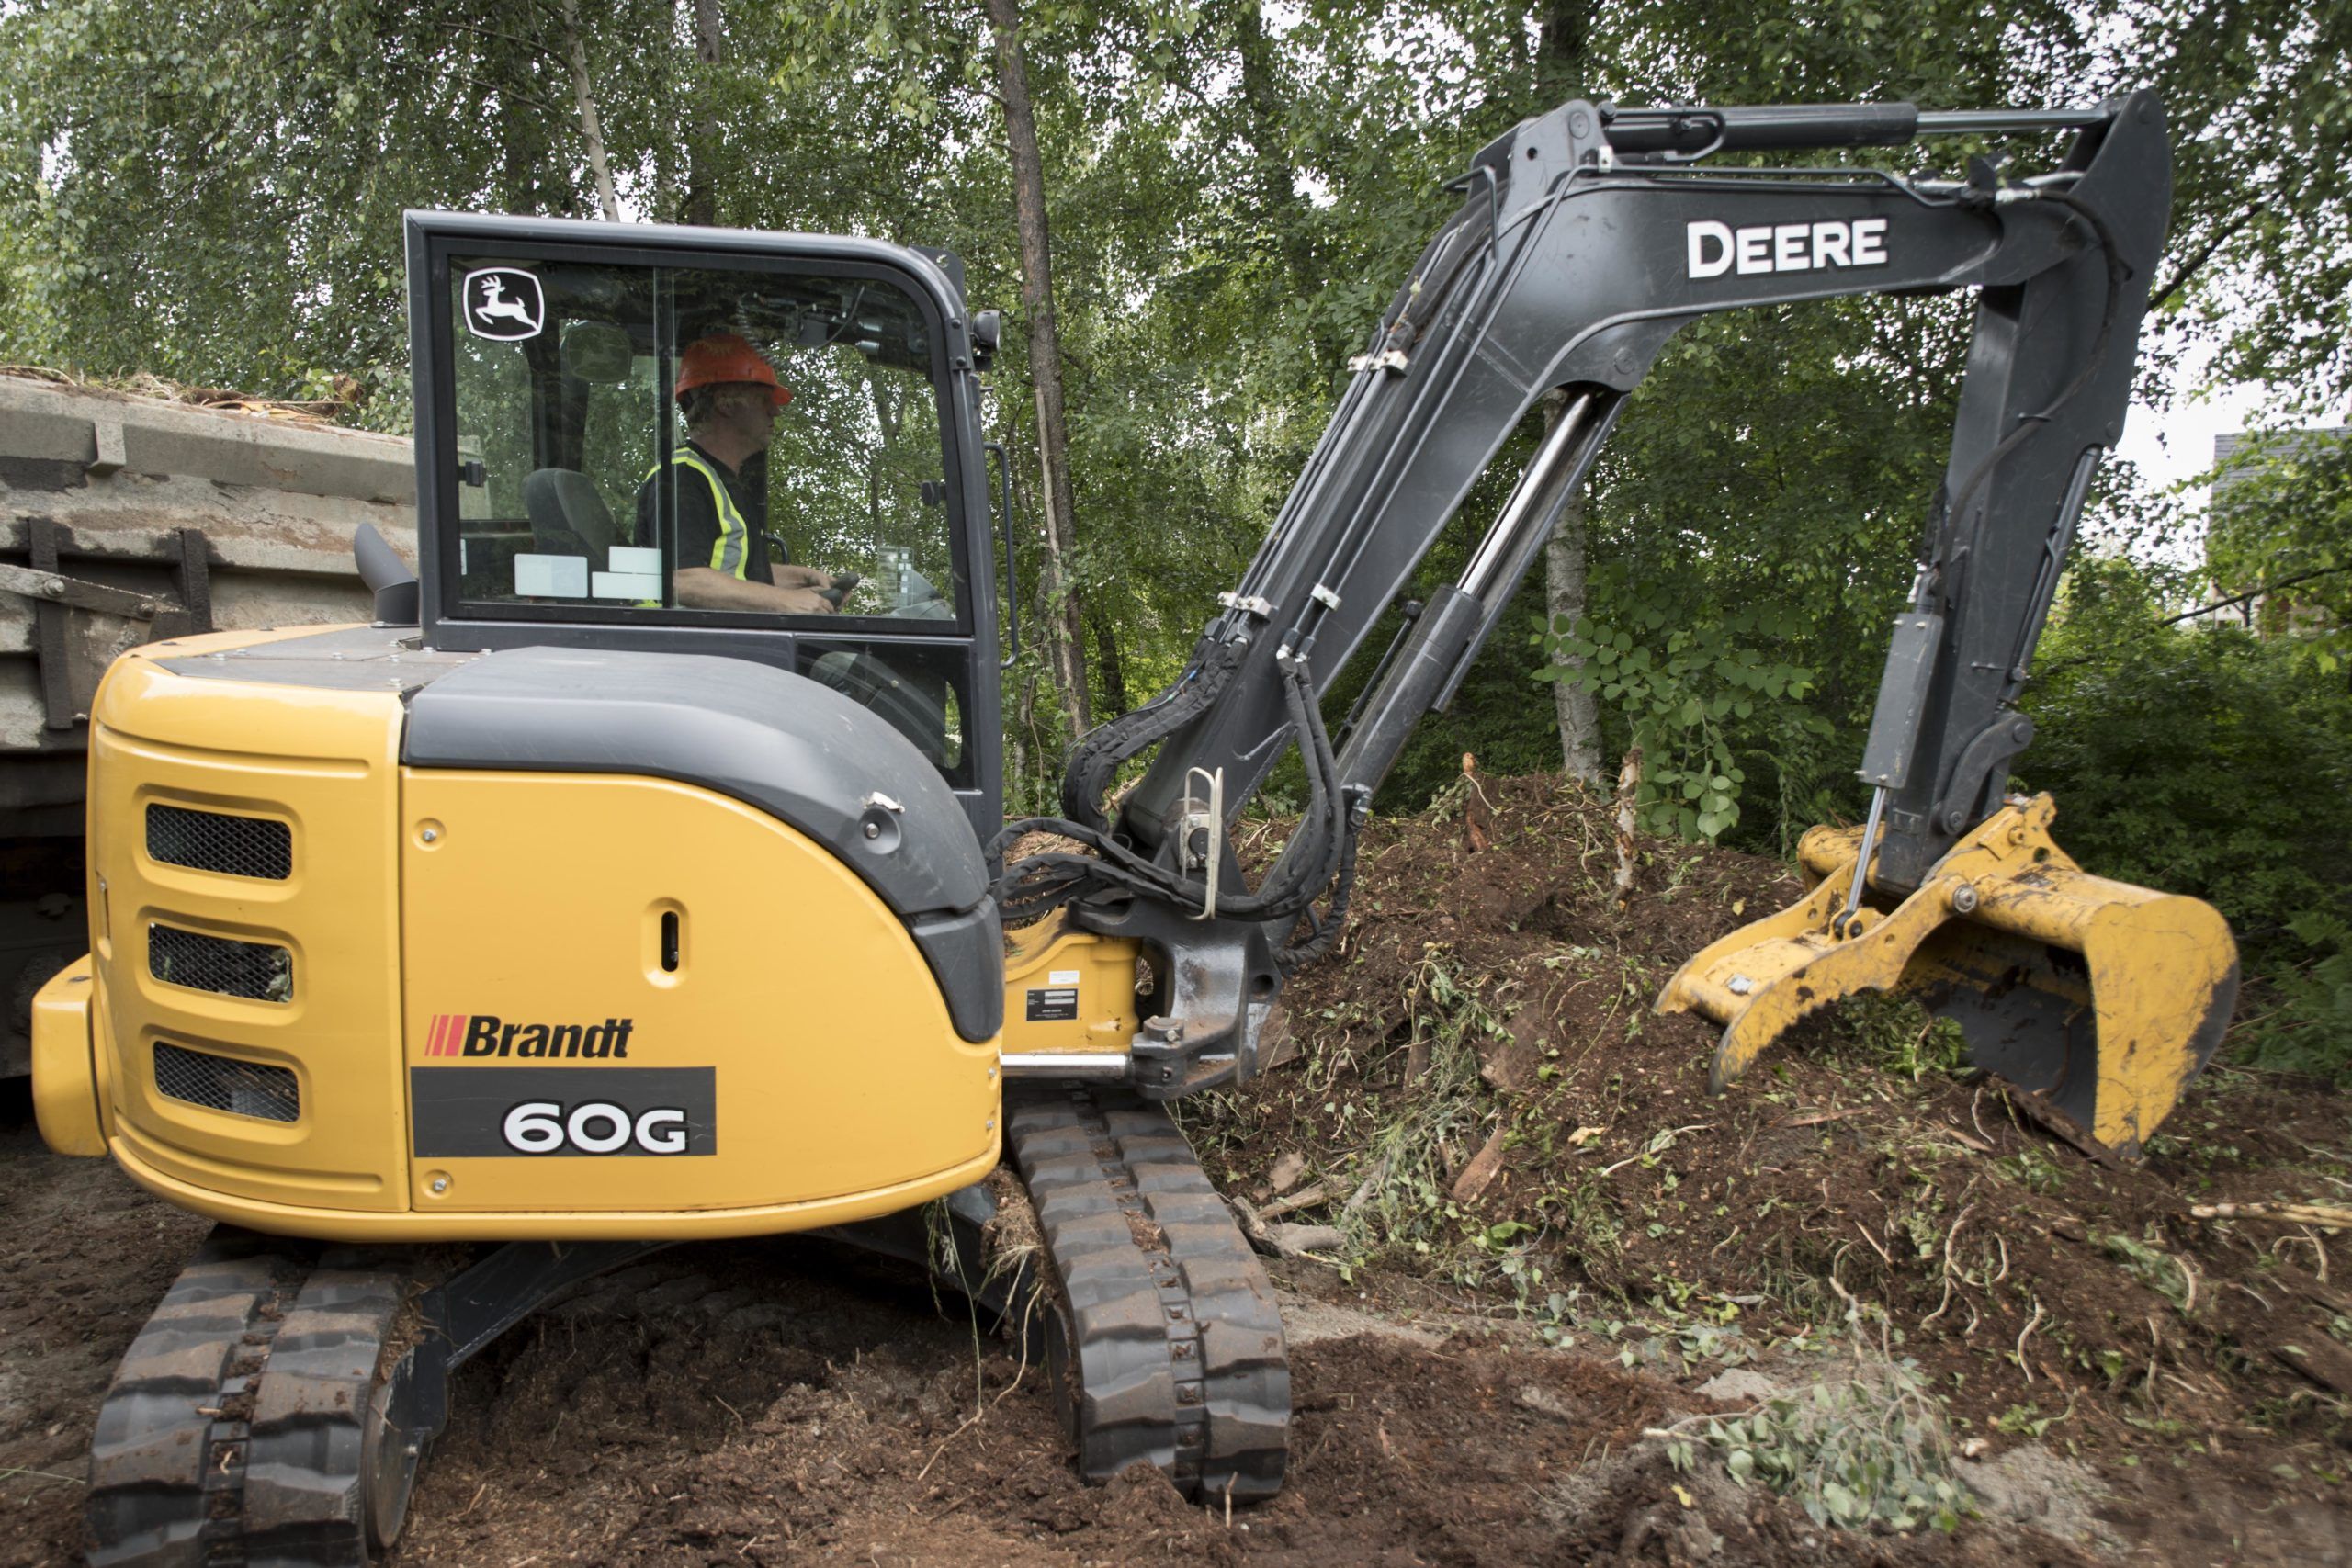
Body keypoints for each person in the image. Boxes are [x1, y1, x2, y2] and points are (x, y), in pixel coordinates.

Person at [638, 332, 839, 614]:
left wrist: (801, 580)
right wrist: (785, 601)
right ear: (725, 402)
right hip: (684, 646)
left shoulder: (721, 479)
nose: (775, 411)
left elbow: (735, 575)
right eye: (763, 399)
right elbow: (683, 580)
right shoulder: (683, 479)